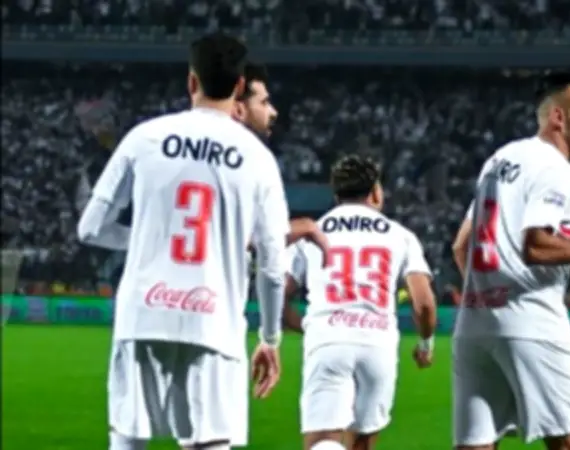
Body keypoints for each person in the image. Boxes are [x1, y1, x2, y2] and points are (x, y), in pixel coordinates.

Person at [76, 32, 288, 450]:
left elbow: (91, 228)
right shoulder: (258, 158)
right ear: (240, 87)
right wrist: (270, 338)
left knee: (128, 438)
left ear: (192, 81)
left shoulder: (144, 137)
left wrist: (146, 237)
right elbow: (272, 264)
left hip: (142, 315)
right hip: (214, 322)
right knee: (208, 443)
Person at [450, 73, 570, 450]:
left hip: (475, 324)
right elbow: (537, 247)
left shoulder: (500, 159)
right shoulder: (554, 166)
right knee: (567, 443)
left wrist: (488, 295)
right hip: (532, 320)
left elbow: (461, 245)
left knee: (475, 444)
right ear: (558, 117)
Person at [283, 155, 438, 450]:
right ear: (376, 192)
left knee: (321, 442)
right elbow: (425, 304)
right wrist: (425, 343)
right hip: (377, 344)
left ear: (336, 194)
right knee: (363, 441)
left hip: (328, 340)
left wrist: (307, 326)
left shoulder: (313, 233)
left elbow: (278, 297)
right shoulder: (401, 236)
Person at [234, 62, 329, 261]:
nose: (273, 112)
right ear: (239, 108)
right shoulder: (255, 158)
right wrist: (305, 227)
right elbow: (266, 240)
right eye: (263, 103)